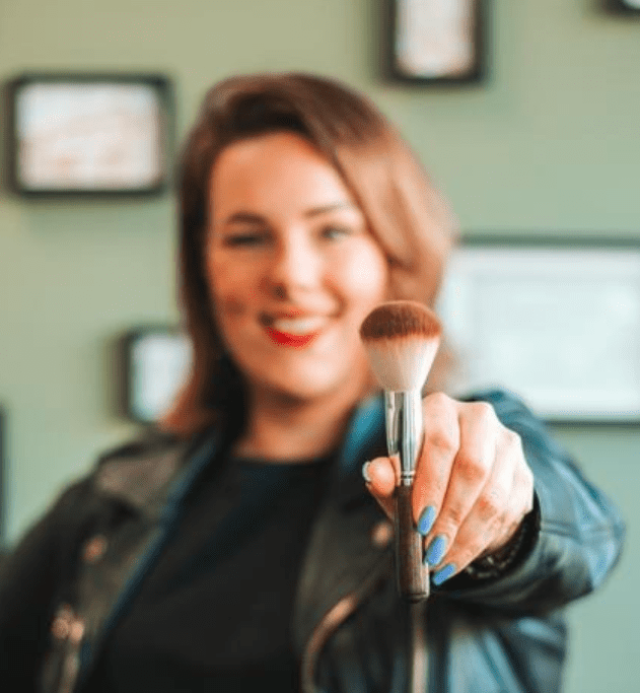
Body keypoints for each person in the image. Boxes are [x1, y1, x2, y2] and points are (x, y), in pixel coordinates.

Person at [0, 72, 625, 693]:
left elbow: (579, 542)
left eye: (333, 230)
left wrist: (503, 523)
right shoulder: (113, 503)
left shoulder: (473, 445)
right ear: (203, 269)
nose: (291, 275)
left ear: (394, 255)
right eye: (246, 237)